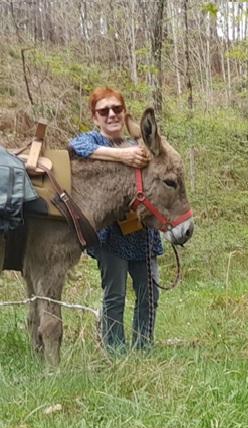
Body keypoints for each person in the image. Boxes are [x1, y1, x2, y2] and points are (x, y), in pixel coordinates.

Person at [69, 87, 163, 352]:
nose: (111, 114)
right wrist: (122, 154)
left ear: (124, 112)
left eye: (117, 109)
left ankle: (143, 347)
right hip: (110, 237)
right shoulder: (91, 141)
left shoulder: (139, 144)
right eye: (104, 111)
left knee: (150, 294)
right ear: (95, 117)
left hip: (144, 235)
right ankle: (115, 351)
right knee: (115, 296)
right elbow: (76, 147)